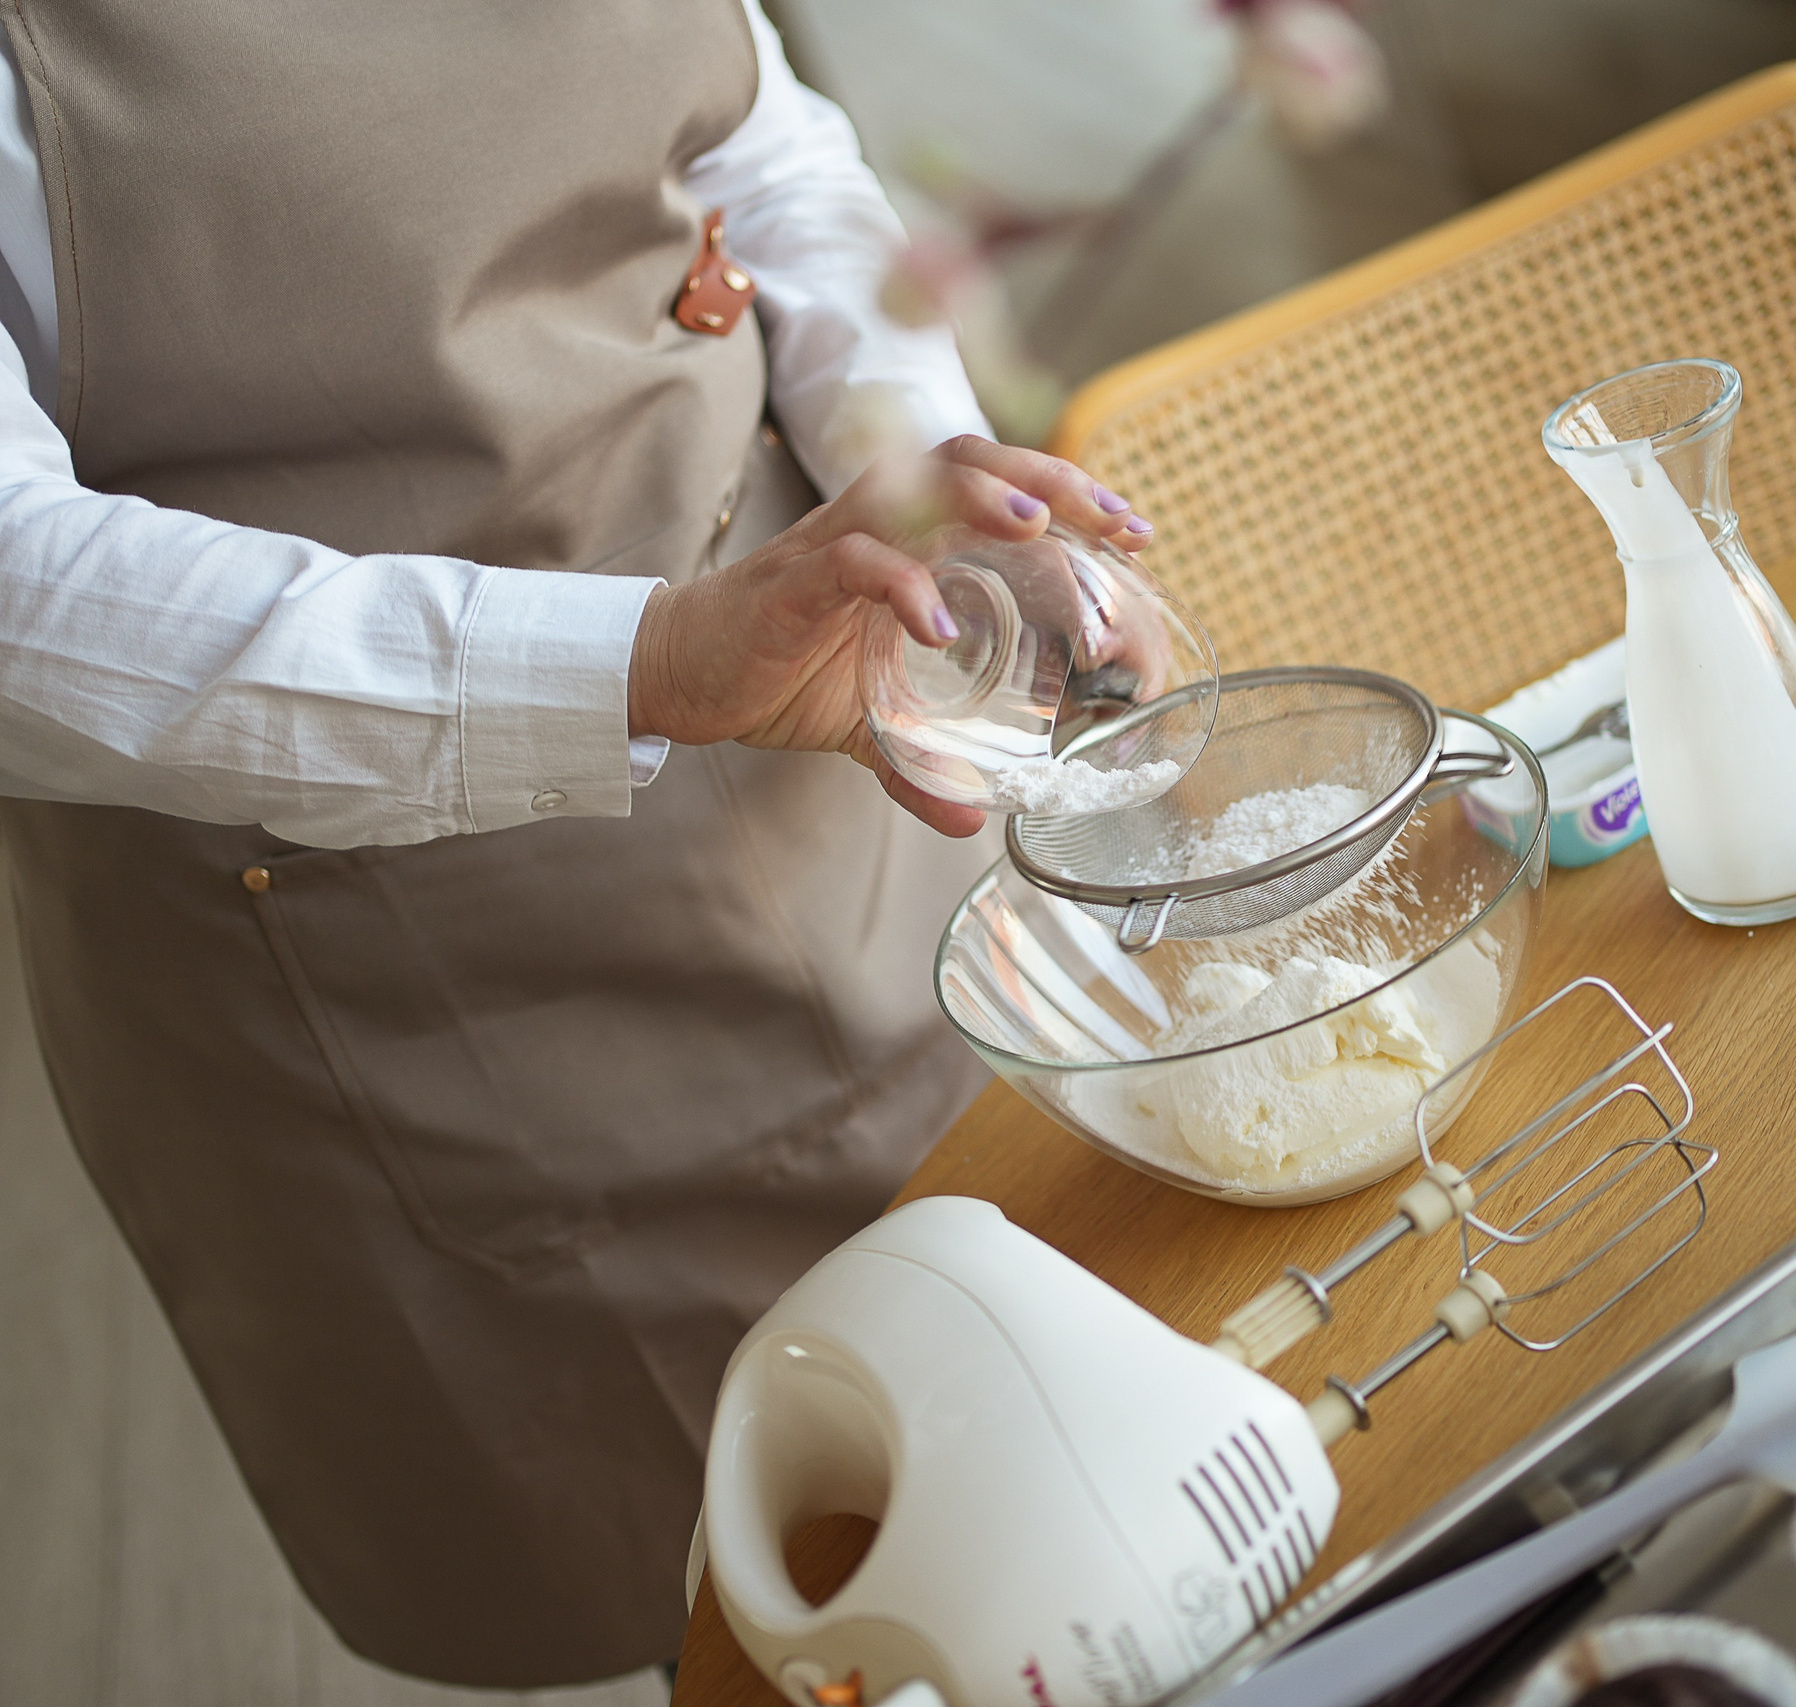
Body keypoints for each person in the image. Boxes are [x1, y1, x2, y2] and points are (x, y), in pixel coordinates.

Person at [0, 0, 1146, 1685]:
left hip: (830, 730)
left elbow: (756, 138)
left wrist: (902, 484)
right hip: (399, 957)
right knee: (764, 1601)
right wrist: (647, 664)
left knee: (1096, 1422)